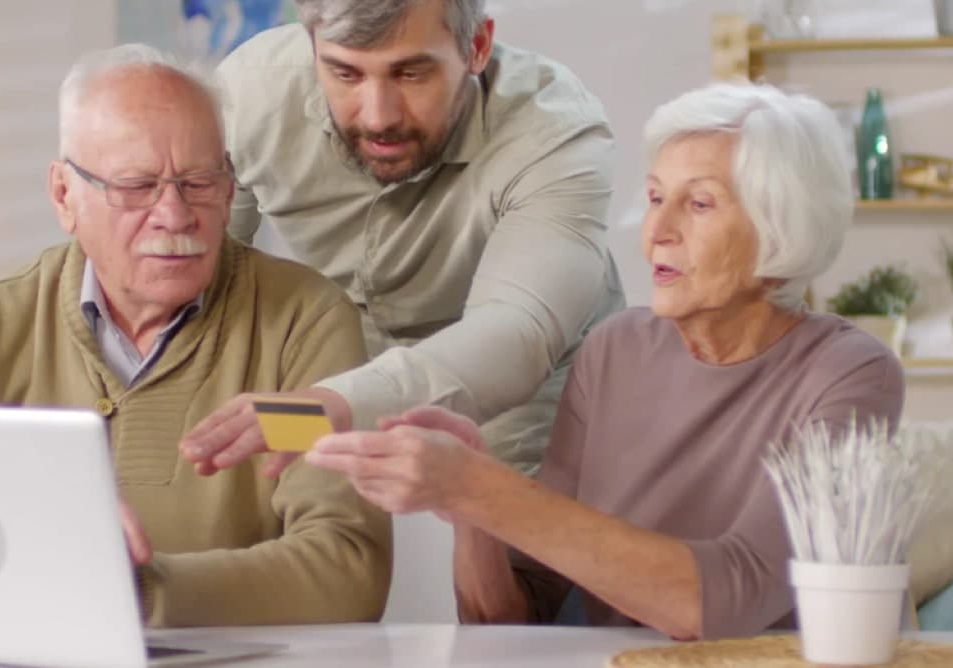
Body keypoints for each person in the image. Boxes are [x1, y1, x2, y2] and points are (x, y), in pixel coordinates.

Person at [0, 44, 392, 627]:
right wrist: (54, 563)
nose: (174, 214)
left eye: (199, 182)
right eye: (137, 186)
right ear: (65, 196)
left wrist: (133, 595)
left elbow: (347, 567)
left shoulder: (302, 324)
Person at [304, 82, 905, 640]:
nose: (656, 232)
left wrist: (480, 487)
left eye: (698, 205)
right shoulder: (614, 350)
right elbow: (512, 620)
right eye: (654, 198)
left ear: (783, 228)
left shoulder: (852, 373)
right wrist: (468, 506)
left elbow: (726, 598)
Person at [180, 0, 623, 478]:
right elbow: (197, 272)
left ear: (476, 46)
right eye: (346, 74)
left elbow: (516, 335)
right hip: (339, 380)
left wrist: (327, 408)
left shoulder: (553, 132)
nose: (378, 118)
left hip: (523, 395)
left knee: (500, 534)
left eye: (411, 74)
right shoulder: (251, 93)